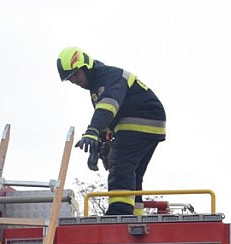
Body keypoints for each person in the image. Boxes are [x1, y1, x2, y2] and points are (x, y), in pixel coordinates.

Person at [57, 47, 166, 216]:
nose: (75, 81)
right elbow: (107, 122)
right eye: (70, 79)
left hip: (139, 119)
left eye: (76, 74)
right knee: (133, 173)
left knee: (120, 163)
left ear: (86, 66)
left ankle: (119, 212)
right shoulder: (98, 86)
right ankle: (136, 215)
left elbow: (108, 107)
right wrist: (97, 147)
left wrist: (91, 131)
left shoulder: (109, 77)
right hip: (149, 122)